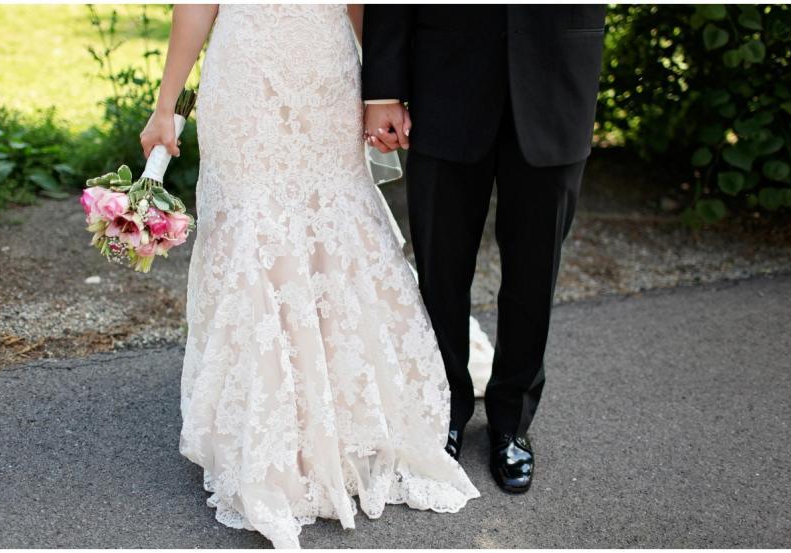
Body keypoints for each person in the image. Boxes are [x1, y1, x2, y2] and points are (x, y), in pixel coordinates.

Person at [139, 5, 479, 549]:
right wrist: (166, 105)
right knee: (253, 227)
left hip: (325, 72)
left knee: (331, 219)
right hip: (246, 73)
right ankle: (272, 424)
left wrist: (383, 91)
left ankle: (344, 414)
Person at [362, 5, 606, 494]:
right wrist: (384, 88)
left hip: (558, 72)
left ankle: (512, 421)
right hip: (445, 73)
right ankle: (443, 408)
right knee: (441, 268)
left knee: (535, 271)